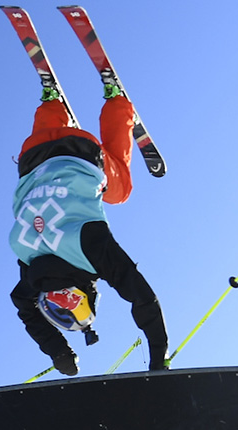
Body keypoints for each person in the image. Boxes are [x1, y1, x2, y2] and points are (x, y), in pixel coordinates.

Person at [9, 82, 170, 377]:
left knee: (119, 190)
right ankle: (50, 106)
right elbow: (23, 304)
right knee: (48, 142)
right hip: (32, 152)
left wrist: (159, 358)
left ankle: (118, 105)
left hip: (81, 151)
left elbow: (143, 299)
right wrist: (58, 352)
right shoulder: (26, 253)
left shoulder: (90, 250)